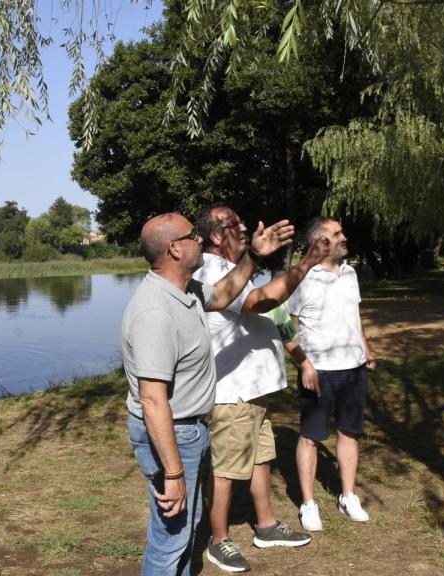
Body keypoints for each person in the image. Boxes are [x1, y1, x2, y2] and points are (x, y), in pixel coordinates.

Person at [123, 212, 295, 576]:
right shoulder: (156, 310)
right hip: (174, 432)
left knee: (186, 528)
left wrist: (254, 256)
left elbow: (226, 292)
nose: (199, 240)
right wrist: (172, 473)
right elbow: (152, 399)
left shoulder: (186, 292)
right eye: (191, 236)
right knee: (170, 537)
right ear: (174, 249)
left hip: (189, 429)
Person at [192, 207, 329, 572]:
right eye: (233, 224)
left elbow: (273, 311)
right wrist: (308, 263)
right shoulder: (211, 270)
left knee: (259, 458)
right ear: (216, 237)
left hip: (252, 391)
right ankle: (218, 541)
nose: (243, 226)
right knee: (226, 470)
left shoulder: (236, 270)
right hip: (231, 393)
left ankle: (266, 526)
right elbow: (262, 302)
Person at [286, 217, 377, 530]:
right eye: (336, 234)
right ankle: (308, 504)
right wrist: (304, 363)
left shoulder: (350, 272)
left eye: (341, 232)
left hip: (353, 368)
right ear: (319, 243)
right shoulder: (302, 278)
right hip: (319, 371)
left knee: (350, 432)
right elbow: (283, 323)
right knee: (311, 437)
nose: (343, 237)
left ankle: (348, 496)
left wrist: (365, 347)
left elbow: (354, 315)